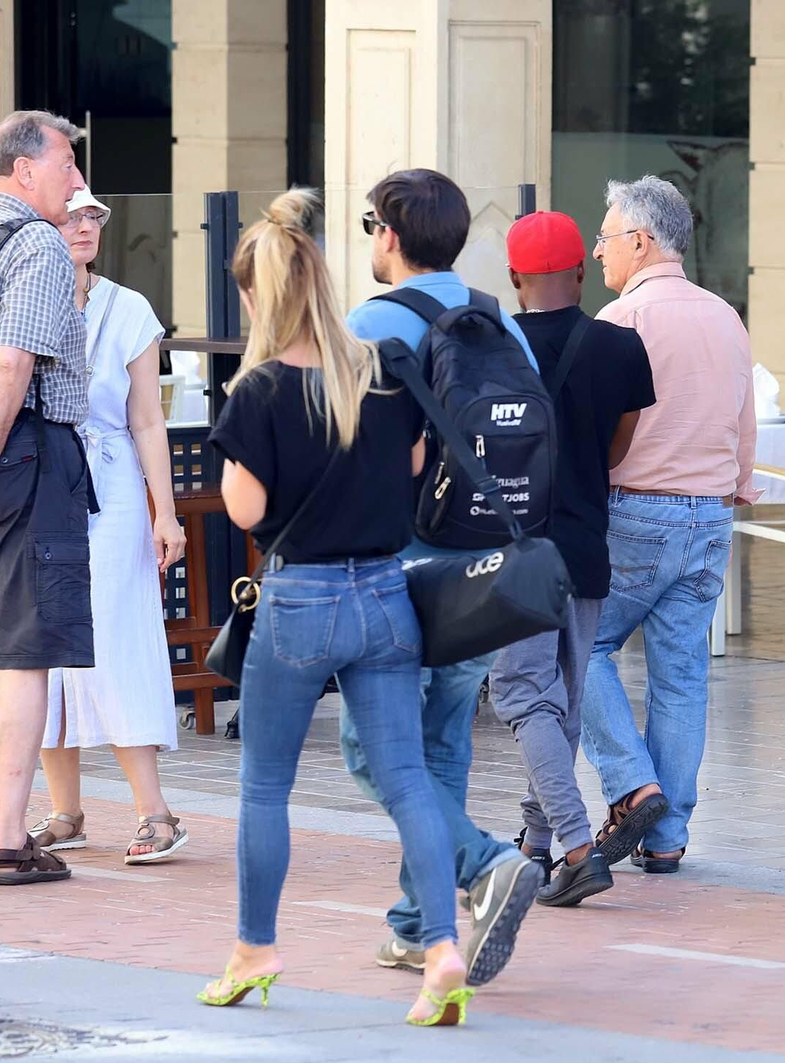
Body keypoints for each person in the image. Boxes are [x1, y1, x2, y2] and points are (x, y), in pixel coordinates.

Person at [200, 189, 477, 1026]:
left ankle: (254, 949)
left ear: (260, 296)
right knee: (408, 779)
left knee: (266, 786)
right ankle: (440, 950)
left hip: (300, 602)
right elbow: (419, 457)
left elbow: (245, 510)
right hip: (387, 594)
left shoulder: (259, 392)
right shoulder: (384, 371)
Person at [338, 168, 543, 979]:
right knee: (444, 737)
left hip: (400, 558)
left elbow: (349, 450)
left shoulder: (369, 323)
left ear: (389, 235)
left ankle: (484, 861)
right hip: (487, 559)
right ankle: (420, 923)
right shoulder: (499, 322)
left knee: (371, 747)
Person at [578, 176, 759, 875]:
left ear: (641, 241)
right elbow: (742, 423)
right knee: (682, 674)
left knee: (580, 645)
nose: (599, 252)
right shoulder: (725, 316)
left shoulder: (622, 321)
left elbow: (599, 431)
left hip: (638, 511)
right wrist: (735, 485)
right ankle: (667, 835)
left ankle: (634, 784)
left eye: (606, 236)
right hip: (712, 513)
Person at [492, 210, 654, 904]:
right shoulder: (621, 347)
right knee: (560, 702)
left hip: (513, 549)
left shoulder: (487, 350)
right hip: (586, 543)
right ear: (582, 274)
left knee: (523, 695)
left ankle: (579, 848)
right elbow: (620, 446)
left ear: (513, 277)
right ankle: (534, 840)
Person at [34, 187, 188, 865]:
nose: (85, 225)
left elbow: (147, 420)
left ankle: (155, 811)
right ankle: (65, 810)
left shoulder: (129, 309)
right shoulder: (19, 306)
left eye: (92, 215)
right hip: (39, 489)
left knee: (115, 635)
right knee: (37, 643)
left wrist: (168, 511)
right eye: (70, 215)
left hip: (113, 490)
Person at [0, 111, 91, 887]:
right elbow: (13, 363)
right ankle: (11, 835)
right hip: (19, 456)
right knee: (24, 653)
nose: (77, 184)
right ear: (23, 170)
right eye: (68, 165)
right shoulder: (37, 244)